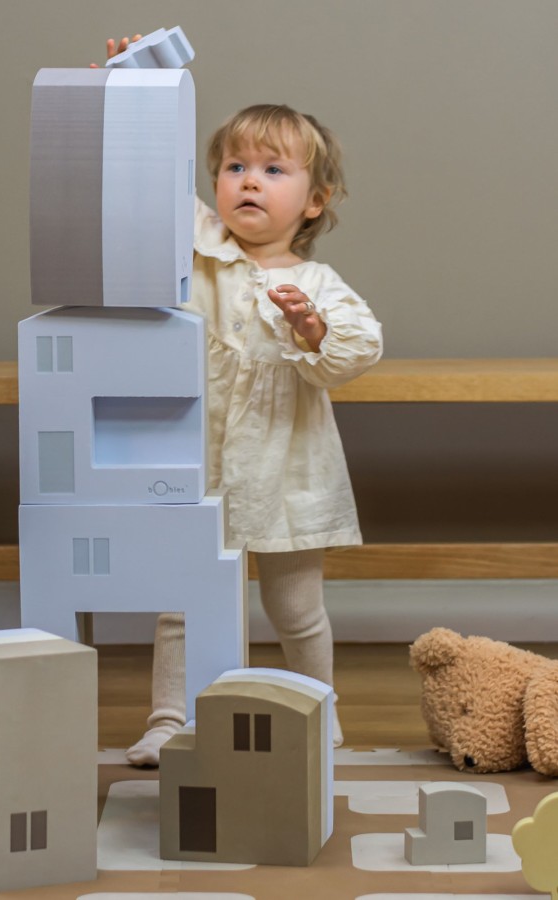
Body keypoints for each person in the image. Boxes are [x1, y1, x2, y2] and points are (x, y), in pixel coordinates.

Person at [99, 37, 384, 766]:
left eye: (272, 170)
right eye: (234, 167)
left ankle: (320, 716)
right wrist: (141, 85)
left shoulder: (319, 284)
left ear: (313, 200)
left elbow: (358, 350)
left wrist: (311, 330)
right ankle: (170, 721)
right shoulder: (198, 247)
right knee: (183, 605)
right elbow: (148, 171)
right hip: (199, 469)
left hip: (289, 474)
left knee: (296, 611)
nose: (248, 182)